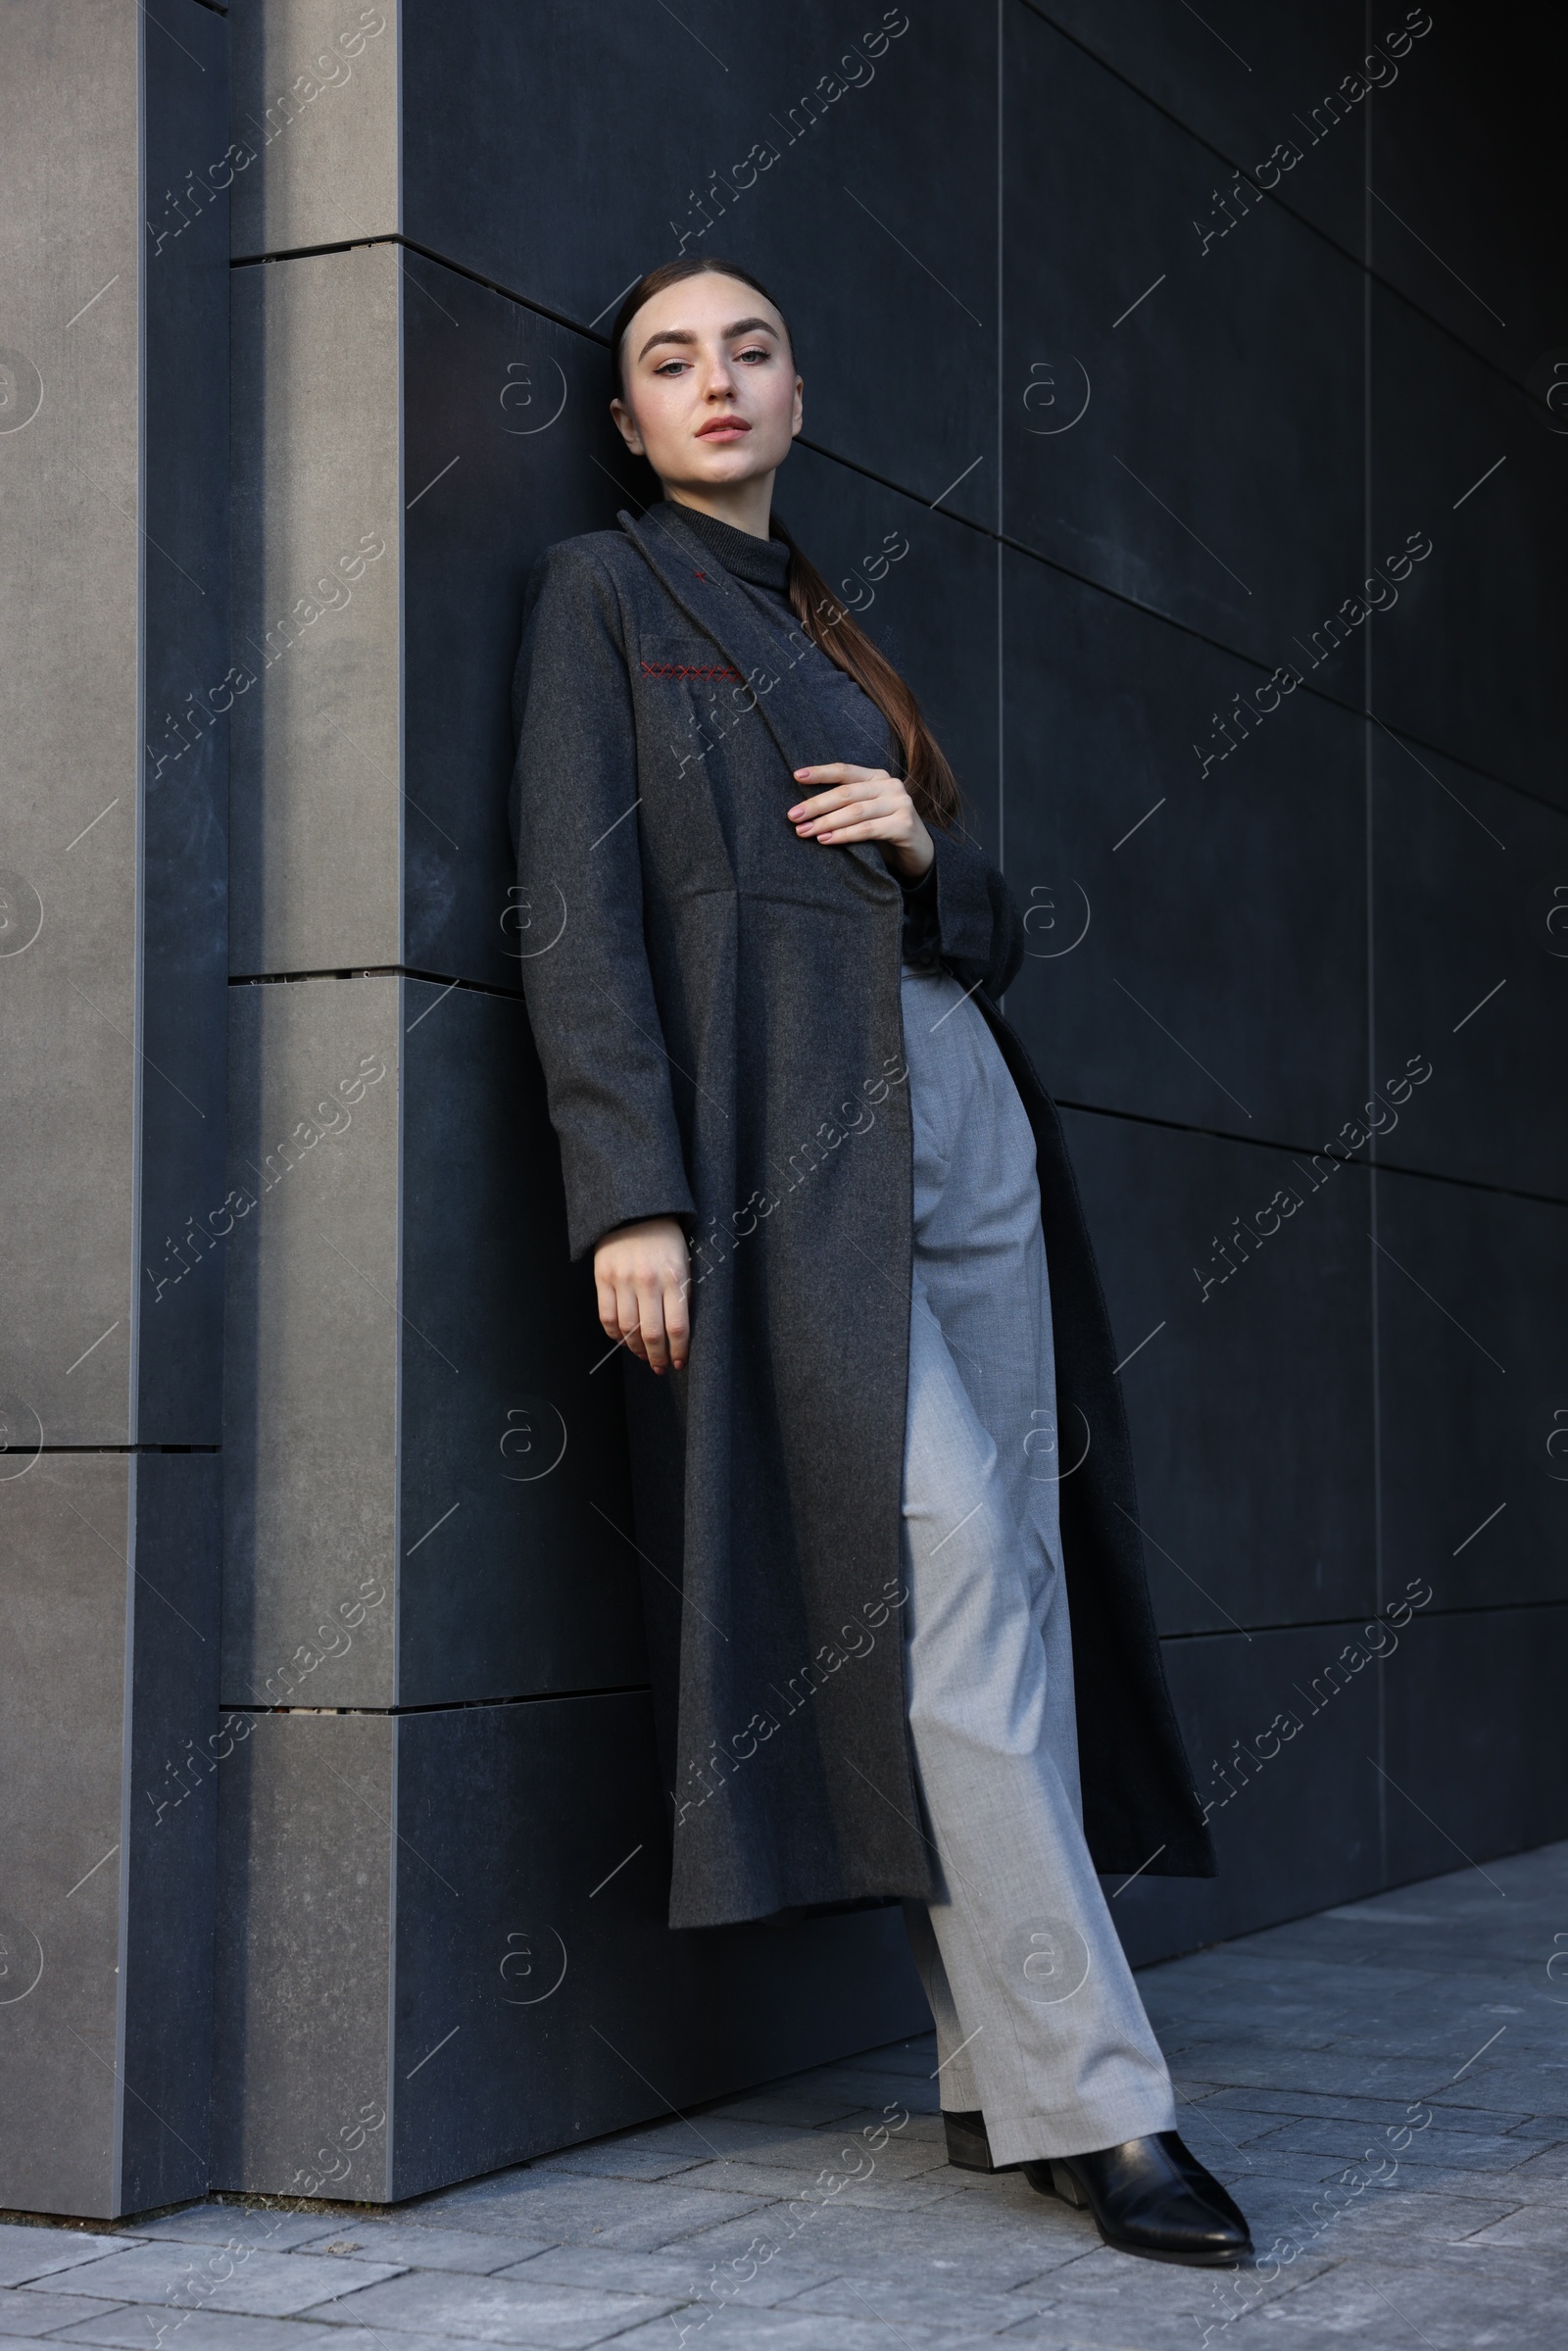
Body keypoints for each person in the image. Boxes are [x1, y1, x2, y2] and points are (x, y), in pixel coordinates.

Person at [508, 257, 1250, 2266]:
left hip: (957, 1114)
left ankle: (987, 2075)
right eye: (670, 360)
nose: (713, 381)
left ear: (797, 386)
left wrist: (926, 858)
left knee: (998, 1583)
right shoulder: (603, 596)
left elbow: (983, 922)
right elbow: (574, 922)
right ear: (628, 423)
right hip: (781, 1160)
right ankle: (1105, 2110)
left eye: (748, 347)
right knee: (942, 1575)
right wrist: (627, 1192)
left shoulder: (829, 619)